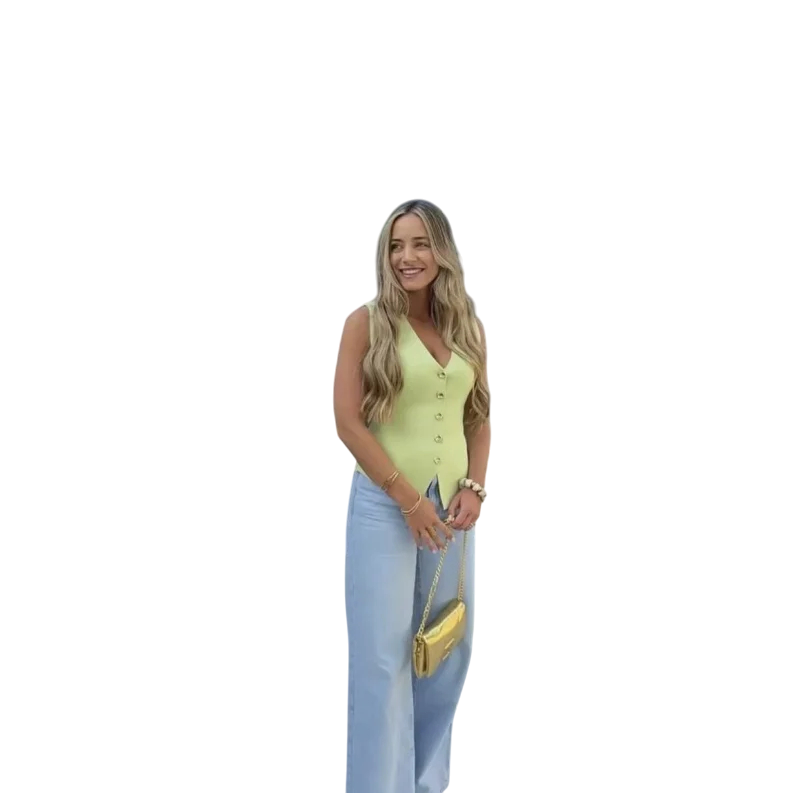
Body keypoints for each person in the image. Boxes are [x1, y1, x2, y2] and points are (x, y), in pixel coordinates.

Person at [333, 199, 491, 793]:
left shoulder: (467, 326)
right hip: (385, 509)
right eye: (396, 246)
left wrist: (474, 487)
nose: (407, 257)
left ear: (442, 251)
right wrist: (407, 499)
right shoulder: (365, 323)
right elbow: (348, 423)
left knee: (445, 650)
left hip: (450, 511)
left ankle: (424, 785)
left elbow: (478, 416)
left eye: (420, 243)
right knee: (383, 663)